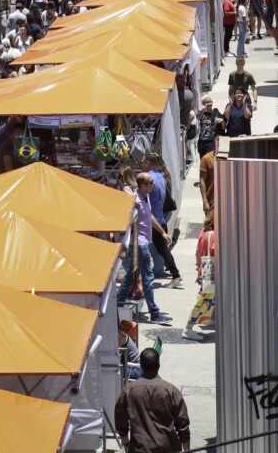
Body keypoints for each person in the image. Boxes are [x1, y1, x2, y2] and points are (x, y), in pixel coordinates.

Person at [116, 173, 172, 325]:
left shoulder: (145, 197)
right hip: (139, 245)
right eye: (151, 182)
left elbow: (150, 216)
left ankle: (118, 303)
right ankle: (154, 313)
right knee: (148, 278)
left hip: (144, 243)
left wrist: (162, 232)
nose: (153, 184)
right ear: (143, 185)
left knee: (131, 276)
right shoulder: (134, 200)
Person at [115, 347, 191, 453]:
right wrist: (186, 449)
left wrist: (126, 443)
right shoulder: (171, 391)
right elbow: (182, 423)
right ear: (158, 365)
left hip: (140, 448)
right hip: (167, 448)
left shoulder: (129, 391)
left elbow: (120, 420)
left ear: (141, 366)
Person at [142, 156, 183, 288]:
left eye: (144, 161)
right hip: (161, 218)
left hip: (153, 220)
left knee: (159, 250)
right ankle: (173, 274)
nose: (142, 163)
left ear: (151, 163)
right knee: (161, 249)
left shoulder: (148, 178)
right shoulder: (161, 176)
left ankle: (176, 275)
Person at [183, 212, 216, 342]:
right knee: (203, 300)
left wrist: (199, 271)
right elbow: (214, 252)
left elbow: (197, 251)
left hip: (205, 266)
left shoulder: (203, 232)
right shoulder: (212, 234)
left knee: (209, 297)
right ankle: (188, 328)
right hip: (210, 267)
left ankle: (212, 319)